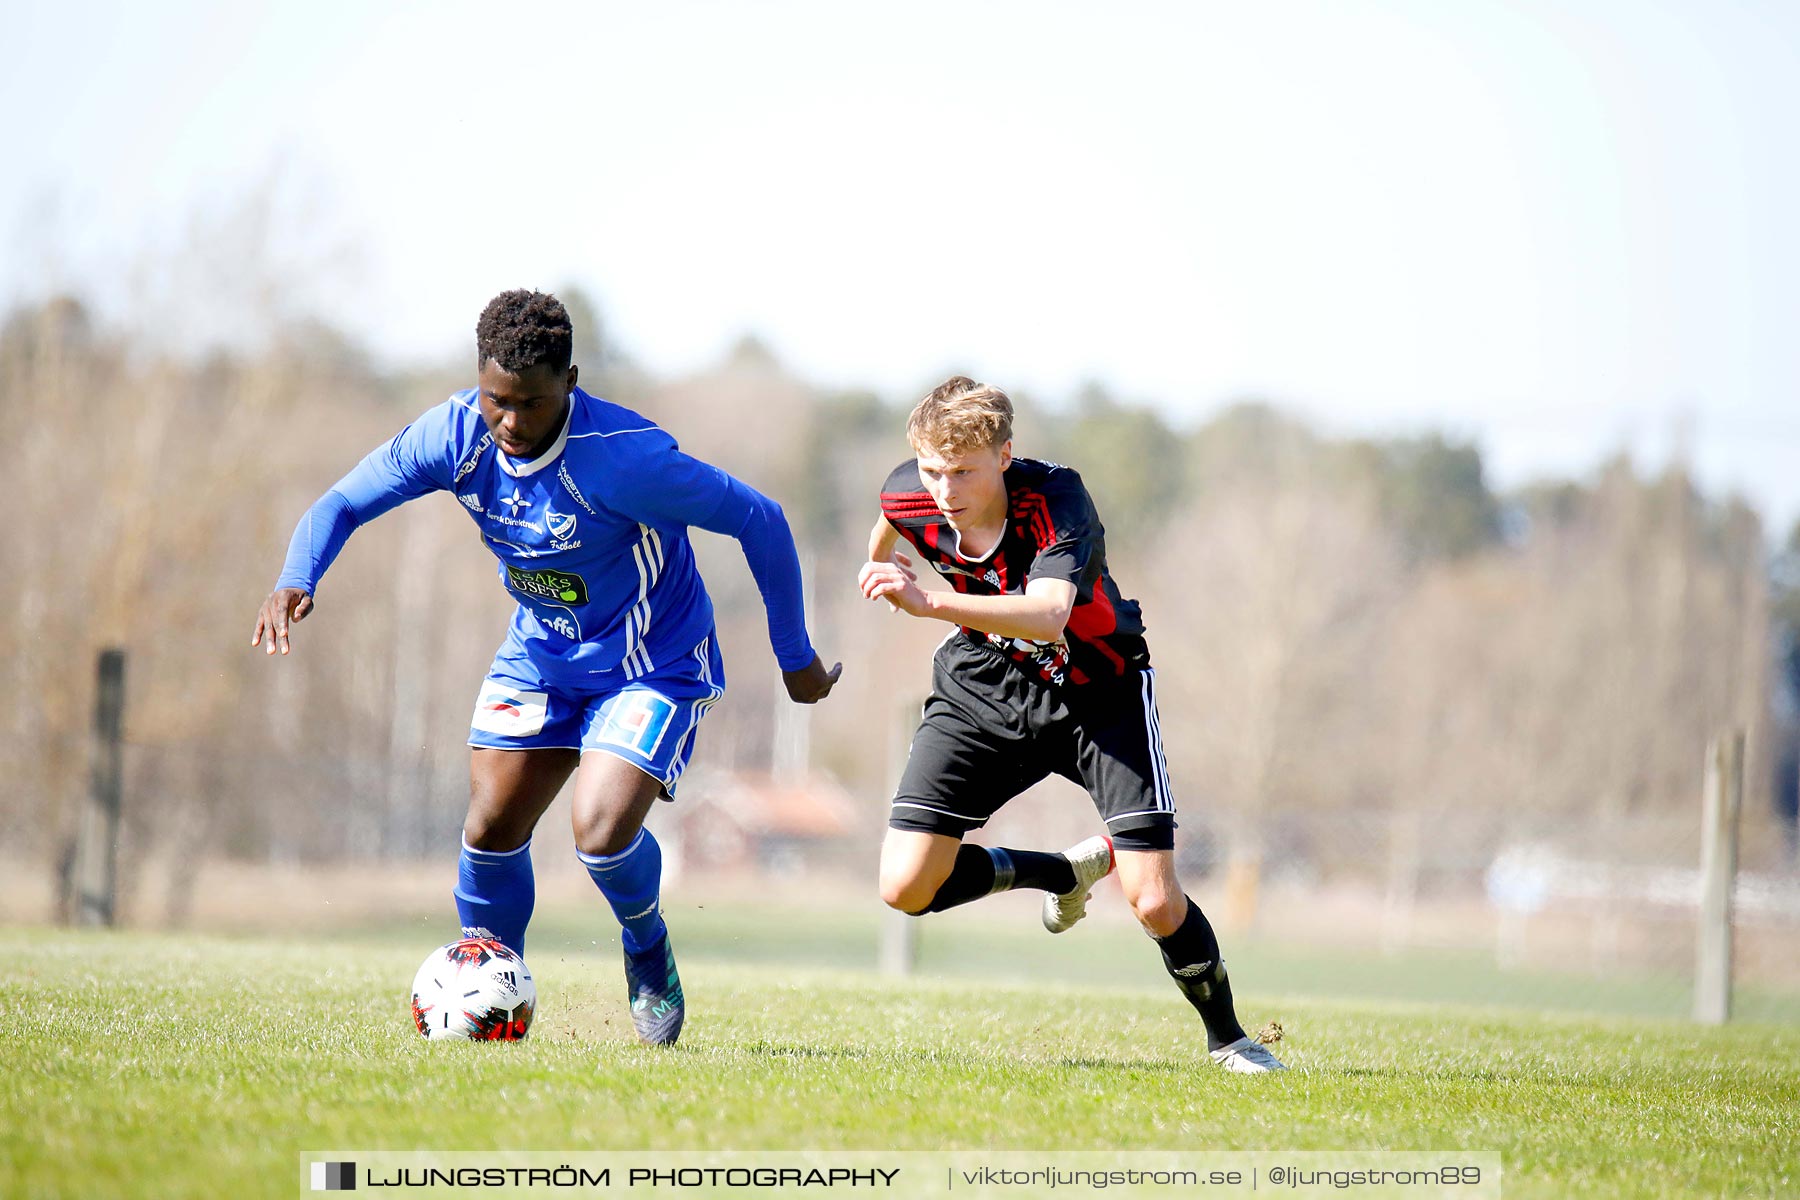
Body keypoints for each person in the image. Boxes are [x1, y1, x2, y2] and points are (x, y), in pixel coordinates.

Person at [252, 289, 839, 1046]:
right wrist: (298, 575)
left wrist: (795, 656)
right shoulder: (455, 435)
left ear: (570, 382)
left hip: (651, 665)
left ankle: (645, 940)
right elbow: (341, 502)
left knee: (597, 831)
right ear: (478, 382)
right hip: (538, 658)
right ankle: (491, 997)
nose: (512, 423)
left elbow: (762, 517)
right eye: (497, 401)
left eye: (531, 404)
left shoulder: (624, 458)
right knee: (490, 825)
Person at [857, 376, 1284, 1073]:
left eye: (962, 471)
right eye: (933, 471)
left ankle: (1230, 1039)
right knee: (905, 887)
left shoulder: (1056, 500)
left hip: (1098, 691)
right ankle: (1057, 874)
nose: (943, 489)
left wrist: (928, 603)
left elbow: (1050, 611)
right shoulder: (910, 490)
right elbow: (890, 521)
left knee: (1152, 899)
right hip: (984, 687)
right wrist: (875, 569)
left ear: (1004, 454)